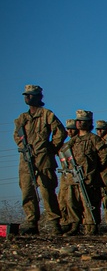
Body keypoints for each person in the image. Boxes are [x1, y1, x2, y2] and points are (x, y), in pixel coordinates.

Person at [13, 85, 66, 235]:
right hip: (26, 159)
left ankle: (55, 223)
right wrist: (24, 147)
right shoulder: (22, 118)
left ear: (39, 97)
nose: (27, 98)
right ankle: (31, 222)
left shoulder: (46, 114)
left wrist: (50, 148)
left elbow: (60, 132)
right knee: (27, 192)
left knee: (47, 191)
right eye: (26, 95)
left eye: (30, 95)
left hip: (44, 159)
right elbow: (16, 135)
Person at [60, 110, 107, 236]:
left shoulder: (94, 139)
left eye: (82, 121)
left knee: (90, 202)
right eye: (78, 121)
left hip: (89, 178)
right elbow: (63, 154)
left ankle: (91, 226)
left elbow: (104, 155)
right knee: (72, 202)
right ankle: (74, 225)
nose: (79, 123)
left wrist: (93, 169)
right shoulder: (72, 141)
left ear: (89, 123)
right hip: (73, 178)